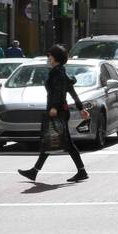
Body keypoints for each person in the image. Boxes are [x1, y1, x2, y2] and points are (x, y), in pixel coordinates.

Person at [17, 45, 90, 184]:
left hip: (58, 112)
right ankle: (35, 171)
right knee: (50, 140)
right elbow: (71, 91)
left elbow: (57, 92)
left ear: (56, 58)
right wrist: (81, 108)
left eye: (50, 55)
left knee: (58, 141)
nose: (48, 58)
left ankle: (81, 171)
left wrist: (54, 107)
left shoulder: (57, 73)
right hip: (61, 111)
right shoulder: (61, 72)